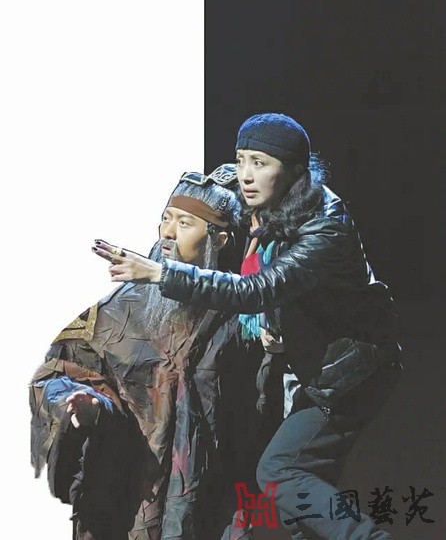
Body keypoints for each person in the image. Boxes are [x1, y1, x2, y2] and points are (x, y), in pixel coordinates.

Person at [96, 113, 402, 540]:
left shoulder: (323, 227)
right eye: (241, 160)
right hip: (312, 364)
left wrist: (161, 274)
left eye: (260, 163)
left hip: (349, 374)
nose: (246, 175)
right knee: (304, 500)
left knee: (280, 473)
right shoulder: (268, 198)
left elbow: (256, 290)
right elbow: (214, 194)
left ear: (295, 170)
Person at [30, 165, 260, 540]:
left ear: (218, 239)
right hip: (129, 491)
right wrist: (92, 406)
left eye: (185, 223)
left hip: (205, 499)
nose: (168, 232)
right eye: (166, 219)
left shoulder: (239, 319)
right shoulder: (125, 305)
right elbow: (57, 370)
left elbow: (252, 423)